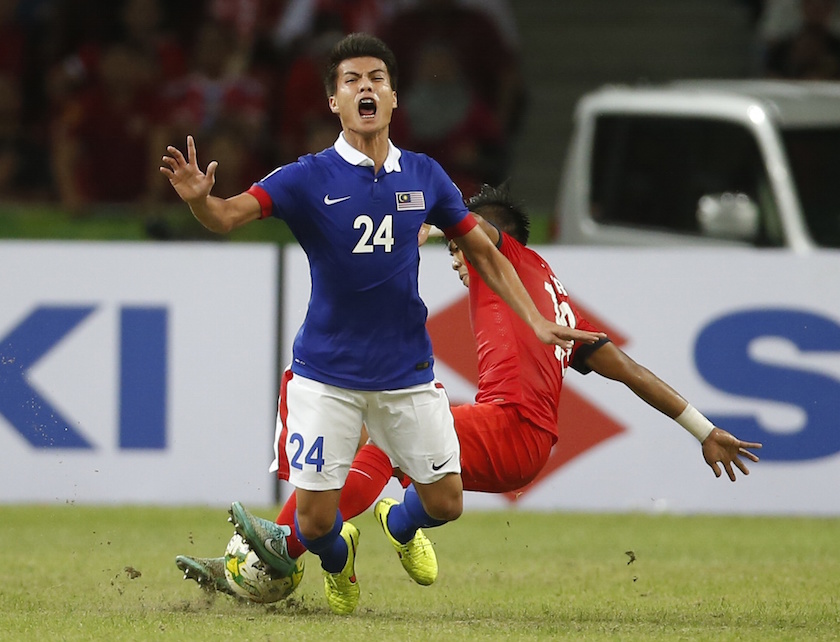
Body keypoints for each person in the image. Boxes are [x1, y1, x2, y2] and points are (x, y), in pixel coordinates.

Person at [161, 33, 602, 615]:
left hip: (406, 377)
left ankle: (397, 522)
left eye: (376, 78)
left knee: (445, 503)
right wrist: (199, 200)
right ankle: (339, 562)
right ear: (334, 103)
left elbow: (488, 253)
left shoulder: (425, 176)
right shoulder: (305, 177)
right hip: (327, 377)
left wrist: (537, 322)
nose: (365, 87)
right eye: (351, 80)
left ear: (394, 99)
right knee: (319, 521)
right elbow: (224, 216)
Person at [175, 183, 762, 600]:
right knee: (415, 479)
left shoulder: (501, 253)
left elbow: (457, 218)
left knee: (378, 438)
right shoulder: (549, 302)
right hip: (523, 448)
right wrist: (703, 430)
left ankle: (278, 548)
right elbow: (630, 371)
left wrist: (421, 219)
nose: (457, 258)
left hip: (510, 428)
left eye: (459, 247)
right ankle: (394, 529)